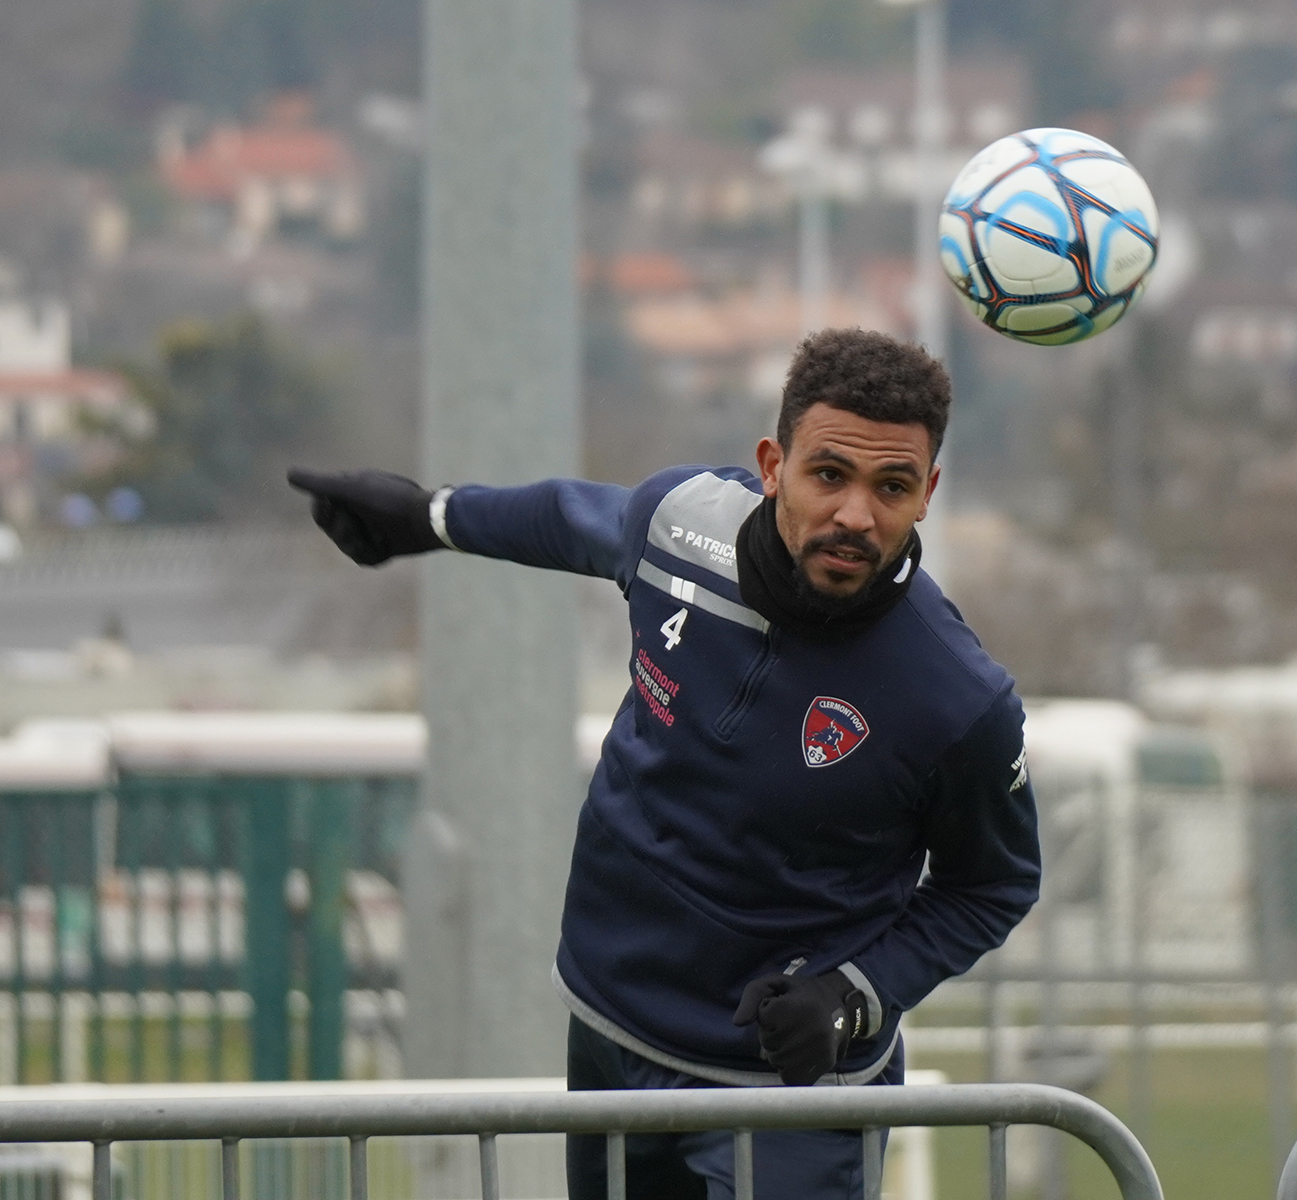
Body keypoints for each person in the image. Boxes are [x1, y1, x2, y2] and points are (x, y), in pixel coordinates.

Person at [289, 327, 1040, 1200]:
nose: (856, 515)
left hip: (787, 1092)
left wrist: (857, 994)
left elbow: (990, 887)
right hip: (613, 1031)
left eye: (893, 487)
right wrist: (425, 517)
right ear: (772, 464)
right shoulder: (679, 523)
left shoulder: (959, 699)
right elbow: (570, 518)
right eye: (828, 474)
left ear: (928, 494)